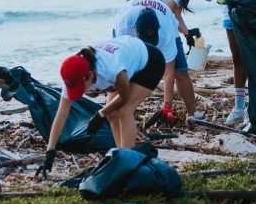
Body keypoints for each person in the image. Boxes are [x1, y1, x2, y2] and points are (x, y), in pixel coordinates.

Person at [37, 35, 165, 179]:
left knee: (124, 111)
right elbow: (61, 115)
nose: (82, 91)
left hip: (150, 62)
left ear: (90, 75)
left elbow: (124, 96)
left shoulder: (110, 69)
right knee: (112, 114)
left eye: (81, 87)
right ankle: (120, 156)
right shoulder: (73, 74)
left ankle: (129, 165)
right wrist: (50, 151)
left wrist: (100, 114)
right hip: (127, 60)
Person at [126, 0, 213, 120]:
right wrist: (179, 37)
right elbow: (168, 14)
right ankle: (125, 109)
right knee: (138, 63)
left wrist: (187, 34)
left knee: (181, 71)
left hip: (155, 9)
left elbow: (175, 16)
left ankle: (193, 113)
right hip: (137, 2)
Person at [114, 0, 201, 121]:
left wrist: (167, 106)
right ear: (136, 31)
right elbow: (122, 69)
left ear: (157, 29)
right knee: (124, 70)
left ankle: (193, 114)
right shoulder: (124, 28)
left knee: (180, 71)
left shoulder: (166, 32)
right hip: (126, 18)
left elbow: (168, 73)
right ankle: (121, 111)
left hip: (167, 21)